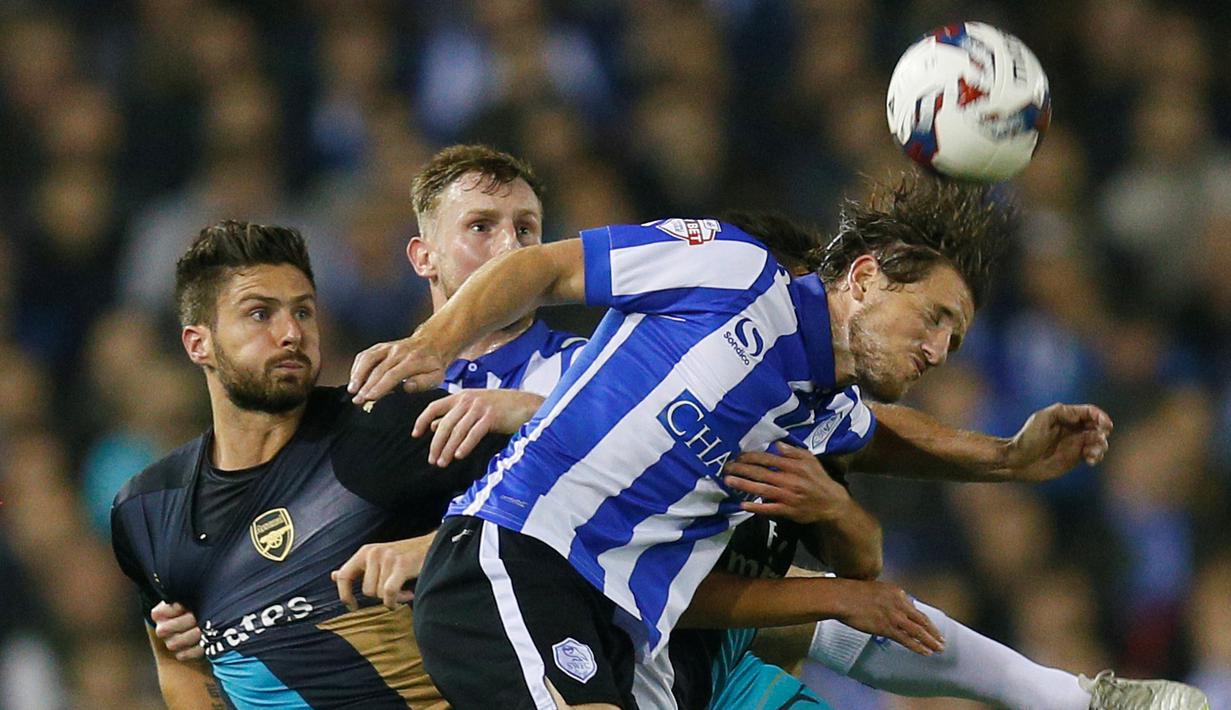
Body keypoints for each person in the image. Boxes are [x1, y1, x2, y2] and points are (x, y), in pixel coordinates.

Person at [346, 174, 1101, 709]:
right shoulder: (731, 267)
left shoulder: (820, 414)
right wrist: (435, 342)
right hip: (515, 554)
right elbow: (544, 266)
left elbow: (889, 441)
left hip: (619, 626)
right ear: (865, 278)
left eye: (956, 339)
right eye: (933, 318)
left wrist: (1006, 458)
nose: (939, 350)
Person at [109, 220, 537, 709]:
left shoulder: (385, 428)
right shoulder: (147, 509)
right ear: (197, 343)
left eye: (304, 312)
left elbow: (568, 488)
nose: (291, 333)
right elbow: (177, 666)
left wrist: (433, 548)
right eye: (259, 314)